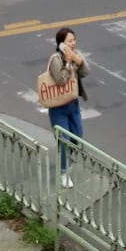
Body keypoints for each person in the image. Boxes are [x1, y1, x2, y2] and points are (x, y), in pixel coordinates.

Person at [45, 26, 89, 187]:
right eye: (69, 41)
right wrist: (70, 63)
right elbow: (61, 80)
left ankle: (67, 159)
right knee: (64, 140)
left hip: (73, 104)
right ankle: (63, 172)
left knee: (77, 137)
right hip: (58, 108)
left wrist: (78, 61)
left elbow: (85, 72)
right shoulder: (56, 59)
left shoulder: (76, 54)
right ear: (61, 43)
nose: (73, 43)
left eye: (74, 40)